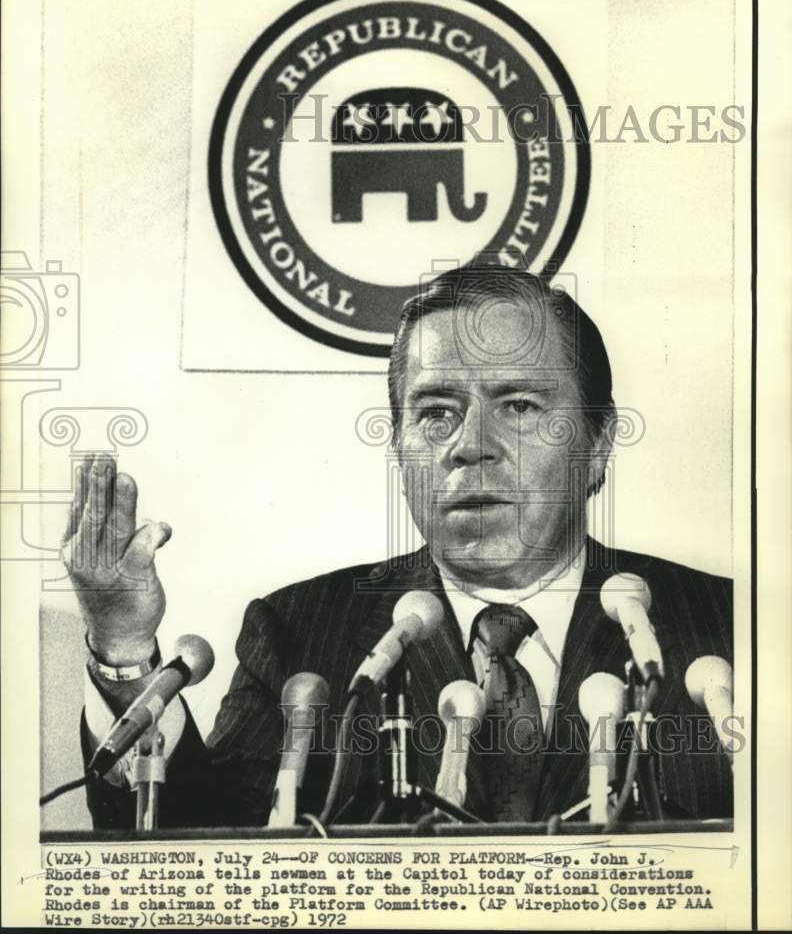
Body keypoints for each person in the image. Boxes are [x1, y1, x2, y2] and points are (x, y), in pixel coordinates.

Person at [64, 266, 733, 829]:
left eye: (520, 407)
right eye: (437, 412)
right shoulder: (299, 634)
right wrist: (122, 648)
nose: (471, 444)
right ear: (399, 446)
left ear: (598, 444)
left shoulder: (730, 628)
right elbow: (202, 855)